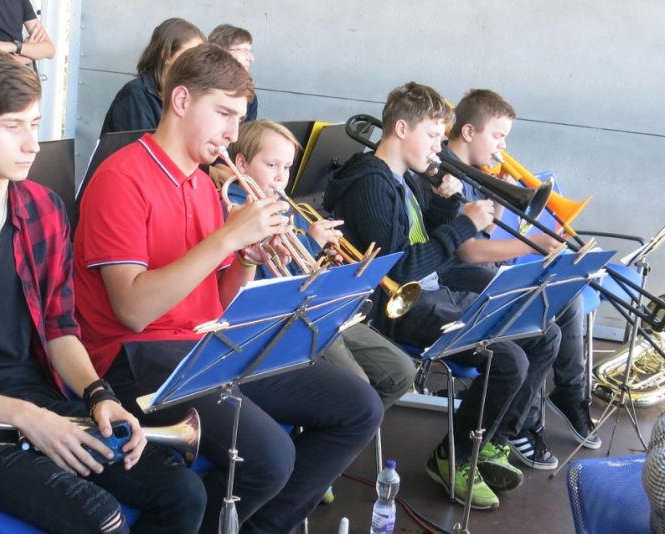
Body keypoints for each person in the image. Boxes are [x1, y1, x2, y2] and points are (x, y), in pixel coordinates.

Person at [0, 48, 205, 533]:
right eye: (12, 126)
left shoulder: (44, 209)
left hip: (34, 402)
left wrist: (99, 395)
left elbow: (60, 330)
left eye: (35, 124)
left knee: (182, 494)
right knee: (100, 518)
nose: (32, 144)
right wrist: (23, 415)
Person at [74, 44, 383, 533]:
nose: (232, 133)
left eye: (238, 118)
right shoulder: (121, 178)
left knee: (360, 406)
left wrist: (244, 258)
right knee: (271, 458)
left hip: (201, 345)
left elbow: (216, 303)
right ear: (181, 101)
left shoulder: (202, 185)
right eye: (223, 113)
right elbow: (132, 309)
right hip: (133, 356)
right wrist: (226, 238)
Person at [323, 82, 561, 510]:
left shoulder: (405, 177)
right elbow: (401, 270)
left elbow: (424, 236)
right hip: (398, 306)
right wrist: (464, 225)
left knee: (544, 332)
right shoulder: (370, 184)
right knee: (508, 359)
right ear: (401, 129)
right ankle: (455, 457)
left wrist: (446, 203)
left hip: (433, 288)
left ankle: (492, 439)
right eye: (433, 136)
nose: (439, 147)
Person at [443, 89, 601, 470]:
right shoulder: (448, 174)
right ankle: (521, 420)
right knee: (548, 316)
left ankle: (565, 395)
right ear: (468, 132)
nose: (503, 147)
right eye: (498, 136)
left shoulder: (475, 172)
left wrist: (499, 198)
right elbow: (468, 251)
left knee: (567, 296)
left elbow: (484, 233)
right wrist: (533, 245)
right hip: (456, 279)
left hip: (477, 271)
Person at [225, 119, 416, 407]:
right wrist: (312, 243)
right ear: (241, 163)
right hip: (284, 321)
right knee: (358, 389)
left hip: (319, 311)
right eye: (272, 165)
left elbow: (305, 270)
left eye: (287, 167)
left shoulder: (288, 209)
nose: (280, 177)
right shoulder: (235, 210)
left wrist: (326, 261)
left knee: (401, 371)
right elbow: (264, 282)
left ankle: (349, 426)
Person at [100, 18, 205, 135]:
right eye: (190, 55)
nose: (197, 64)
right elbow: (142, 145)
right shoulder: (135, 95)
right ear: (167, 55)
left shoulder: (183, 97)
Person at [208, 24, 258, 122]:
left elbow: (247, 131)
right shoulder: (199, 89)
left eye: (250, 51)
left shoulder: (249, 96)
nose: (251, 58)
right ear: (221, 52)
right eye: (244, 51)